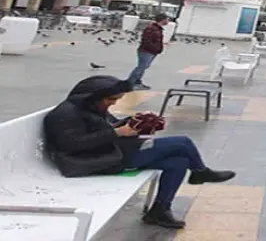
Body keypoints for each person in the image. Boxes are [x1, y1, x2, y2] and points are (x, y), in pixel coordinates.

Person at [44, 76, 236, 229]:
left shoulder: (91, 107)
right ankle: (200, 172)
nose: (113, 104)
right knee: (182, 143)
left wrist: (131, 122)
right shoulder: (66, 114)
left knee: (179, 162)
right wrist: (116, 132)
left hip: (111, 152)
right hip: (95, 161)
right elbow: (71, 145)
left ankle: (160, 210)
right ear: (92, 97)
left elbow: (108, 126)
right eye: (110, 99)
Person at [128, 13, 168, 90]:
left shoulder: (157, 28)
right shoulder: (151, 28)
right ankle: (130, 83)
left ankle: (137, 82)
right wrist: (154, 48)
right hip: (146, 51)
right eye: (167, 19)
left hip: (152, 52)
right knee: (141, 67)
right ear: (162, 20)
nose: (168, 21)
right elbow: (146, 41)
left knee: (143, 67)